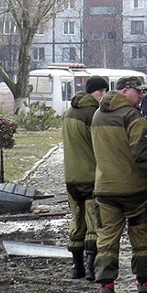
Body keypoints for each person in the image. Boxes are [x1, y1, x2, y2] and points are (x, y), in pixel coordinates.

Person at [91, 76, 147, 293]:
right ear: (124, 91)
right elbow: (143, 154)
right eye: (139, 91)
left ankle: (106, 287)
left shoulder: (97, 114)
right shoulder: (132, 117)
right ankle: (143, 286)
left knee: (106, 239)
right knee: (141, 237)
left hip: (105, 189)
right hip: (134, 191)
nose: (142, 95)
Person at [62, 75, 109, 281]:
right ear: (95, 92)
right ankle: (91, 267)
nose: (105, 95)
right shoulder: (95, 114)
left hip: (71, 176)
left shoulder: (68, 112)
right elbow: (101, 146)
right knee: (93, 223)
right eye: (102, 91)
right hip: (91, 176)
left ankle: (76, 267)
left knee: (76, 221)